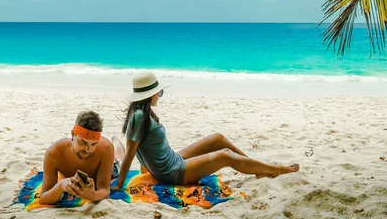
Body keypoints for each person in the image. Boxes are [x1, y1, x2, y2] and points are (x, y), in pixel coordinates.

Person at [114, 71, 299, 189]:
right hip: (173, 172)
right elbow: (131, 152)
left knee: (217, 139)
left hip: (172, 160)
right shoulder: (139, 116)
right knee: (225, 155)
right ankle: (276, 169)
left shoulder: (142, 112)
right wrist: (120, 184)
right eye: (159, 92)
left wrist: (148, 172)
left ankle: (256, 168)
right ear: (150, 94)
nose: (159, 96)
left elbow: (143, 152)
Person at [40, 110, 125, 204]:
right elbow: (43, 198)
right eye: (83, 142)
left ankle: (117, 142)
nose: (88, 149)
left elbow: (104, 190)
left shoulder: (106, 148)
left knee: (118, 159)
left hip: (111, 167)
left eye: (94, 144)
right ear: (73, 134)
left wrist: (93, 196)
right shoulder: (54, 153)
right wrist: (60, 185)